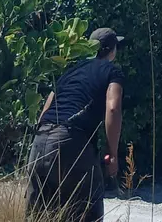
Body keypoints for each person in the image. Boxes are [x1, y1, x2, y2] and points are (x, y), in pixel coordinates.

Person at [26, 27, 126, 222]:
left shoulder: (70, 71)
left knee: (39, 216)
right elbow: (113, 108)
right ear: (112, 50)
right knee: (87, 211)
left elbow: (46, 109)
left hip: (40, 141)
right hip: (71, 140)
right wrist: (112, 154)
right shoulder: (112, 71)